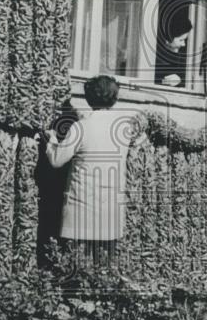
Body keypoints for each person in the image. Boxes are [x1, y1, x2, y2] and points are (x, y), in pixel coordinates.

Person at [42, 75, 140, 274]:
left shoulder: (81, 127)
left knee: (75, 269)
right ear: (115, 99)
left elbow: (56, 161)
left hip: (81, 210)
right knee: (103, 269)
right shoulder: (123, 128)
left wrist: (51, 140)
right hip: (110, 211)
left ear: (88, 98)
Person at [154, 15, 192, 87]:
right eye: (181, 40)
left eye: (185, 40)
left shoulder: (184, 58)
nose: (184, 44)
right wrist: (164, 81)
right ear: (167, 40)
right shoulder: (155, 58)